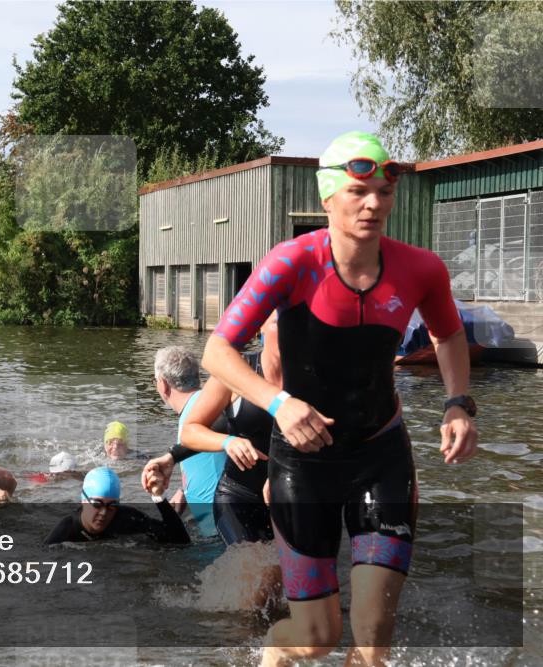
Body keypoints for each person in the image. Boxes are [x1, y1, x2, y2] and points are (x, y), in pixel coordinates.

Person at [202, 131, 478, 666]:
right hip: (303, 466)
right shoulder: (291, 263)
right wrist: (278, 403)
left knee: (373, 639)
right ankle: (273, 653)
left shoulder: (422, 269)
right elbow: (218, 351)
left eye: (383, 191)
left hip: (380, 456)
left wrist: (457, 402)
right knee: (317, 638)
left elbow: (447, 337)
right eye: (358, 191)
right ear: (328, 196)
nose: (374, 203)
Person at [139, 346, 227, 537]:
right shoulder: (202, 404)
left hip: (218, 533)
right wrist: (184, 491)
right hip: (220, 523)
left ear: (162, 384)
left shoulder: (197, 415)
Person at [44, 467, 190, 545]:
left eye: (112, 505)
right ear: (83, 500)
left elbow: (180, 541)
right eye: (97, 504)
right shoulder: (66, 531)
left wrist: (158, 497)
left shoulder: (126, 518)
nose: (103, 512)